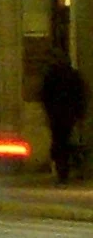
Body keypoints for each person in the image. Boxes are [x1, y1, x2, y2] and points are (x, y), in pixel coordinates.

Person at [40, 52, 88, 184]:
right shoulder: (73, 75)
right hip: (69, 115)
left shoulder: (51, 75)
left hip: (56, 115)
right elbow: (81, 95)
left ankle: (62, 171)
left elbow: (45, 96)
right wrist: (80, 114)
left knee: (59, 142)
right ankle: (73, 166)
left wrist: (48, 113)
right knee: (68, 141)